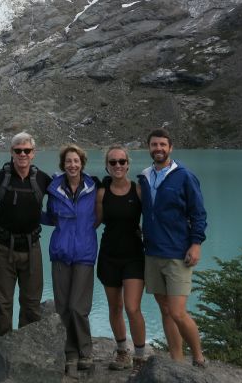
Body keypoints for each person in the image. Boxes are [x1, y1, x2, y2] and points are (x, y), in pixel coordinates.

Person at [137, 128, 208, 368]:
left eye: (162, 145)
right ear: (149, 147)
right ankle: (176, 359)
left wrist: (196, 244)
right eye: (154, 144)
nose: (158, 149)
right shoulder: (144, 177)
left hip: (178, 253)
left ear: (170, 148)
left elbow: (198, 213)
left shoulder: (185, 176)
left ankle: (198, 356)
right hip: (153, 253)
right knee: (165, 310)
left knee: (178, 312)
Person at [44, 144, 98, 378]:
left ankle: (85, 350)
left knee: (78, 307)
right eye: (68, 161)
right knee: (63, 307)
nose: (72, 165)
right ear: (62, 164)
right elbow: (50, 216)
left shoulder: (94, 186)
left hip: (85, 253)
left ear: (82, 163)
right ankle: (70, 353)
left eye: (76, 161)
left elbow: (101, 214)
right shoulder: (54, 189)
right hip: (60, 253)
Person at [0, 131, 52, 336]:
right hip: (3, 248)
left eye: (27, 150)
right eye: (18, 150)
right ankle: (0, 349)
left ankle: (28, 350)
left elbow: (62, 204)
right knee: (2, 302)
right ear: (12, 152)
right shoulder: (0, 178)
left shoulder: (42, 179)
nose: (23, 154)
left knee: (31, 303)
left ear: (33, 153)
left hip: (32, 247)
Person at [95, 145, 149, 370]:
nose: (118, 166)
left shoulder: (138, 190)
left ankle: (139, 354)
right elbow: (95, 222)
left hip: (134, 256)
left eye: (121, 161)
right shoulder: (102, 193)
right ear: (107, 166)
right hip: (109, 255)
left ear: (128, 164)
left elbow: (153, 218)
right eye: (113, 162)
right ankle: (121, 351)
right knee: (114, 307)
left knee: (132, 307)